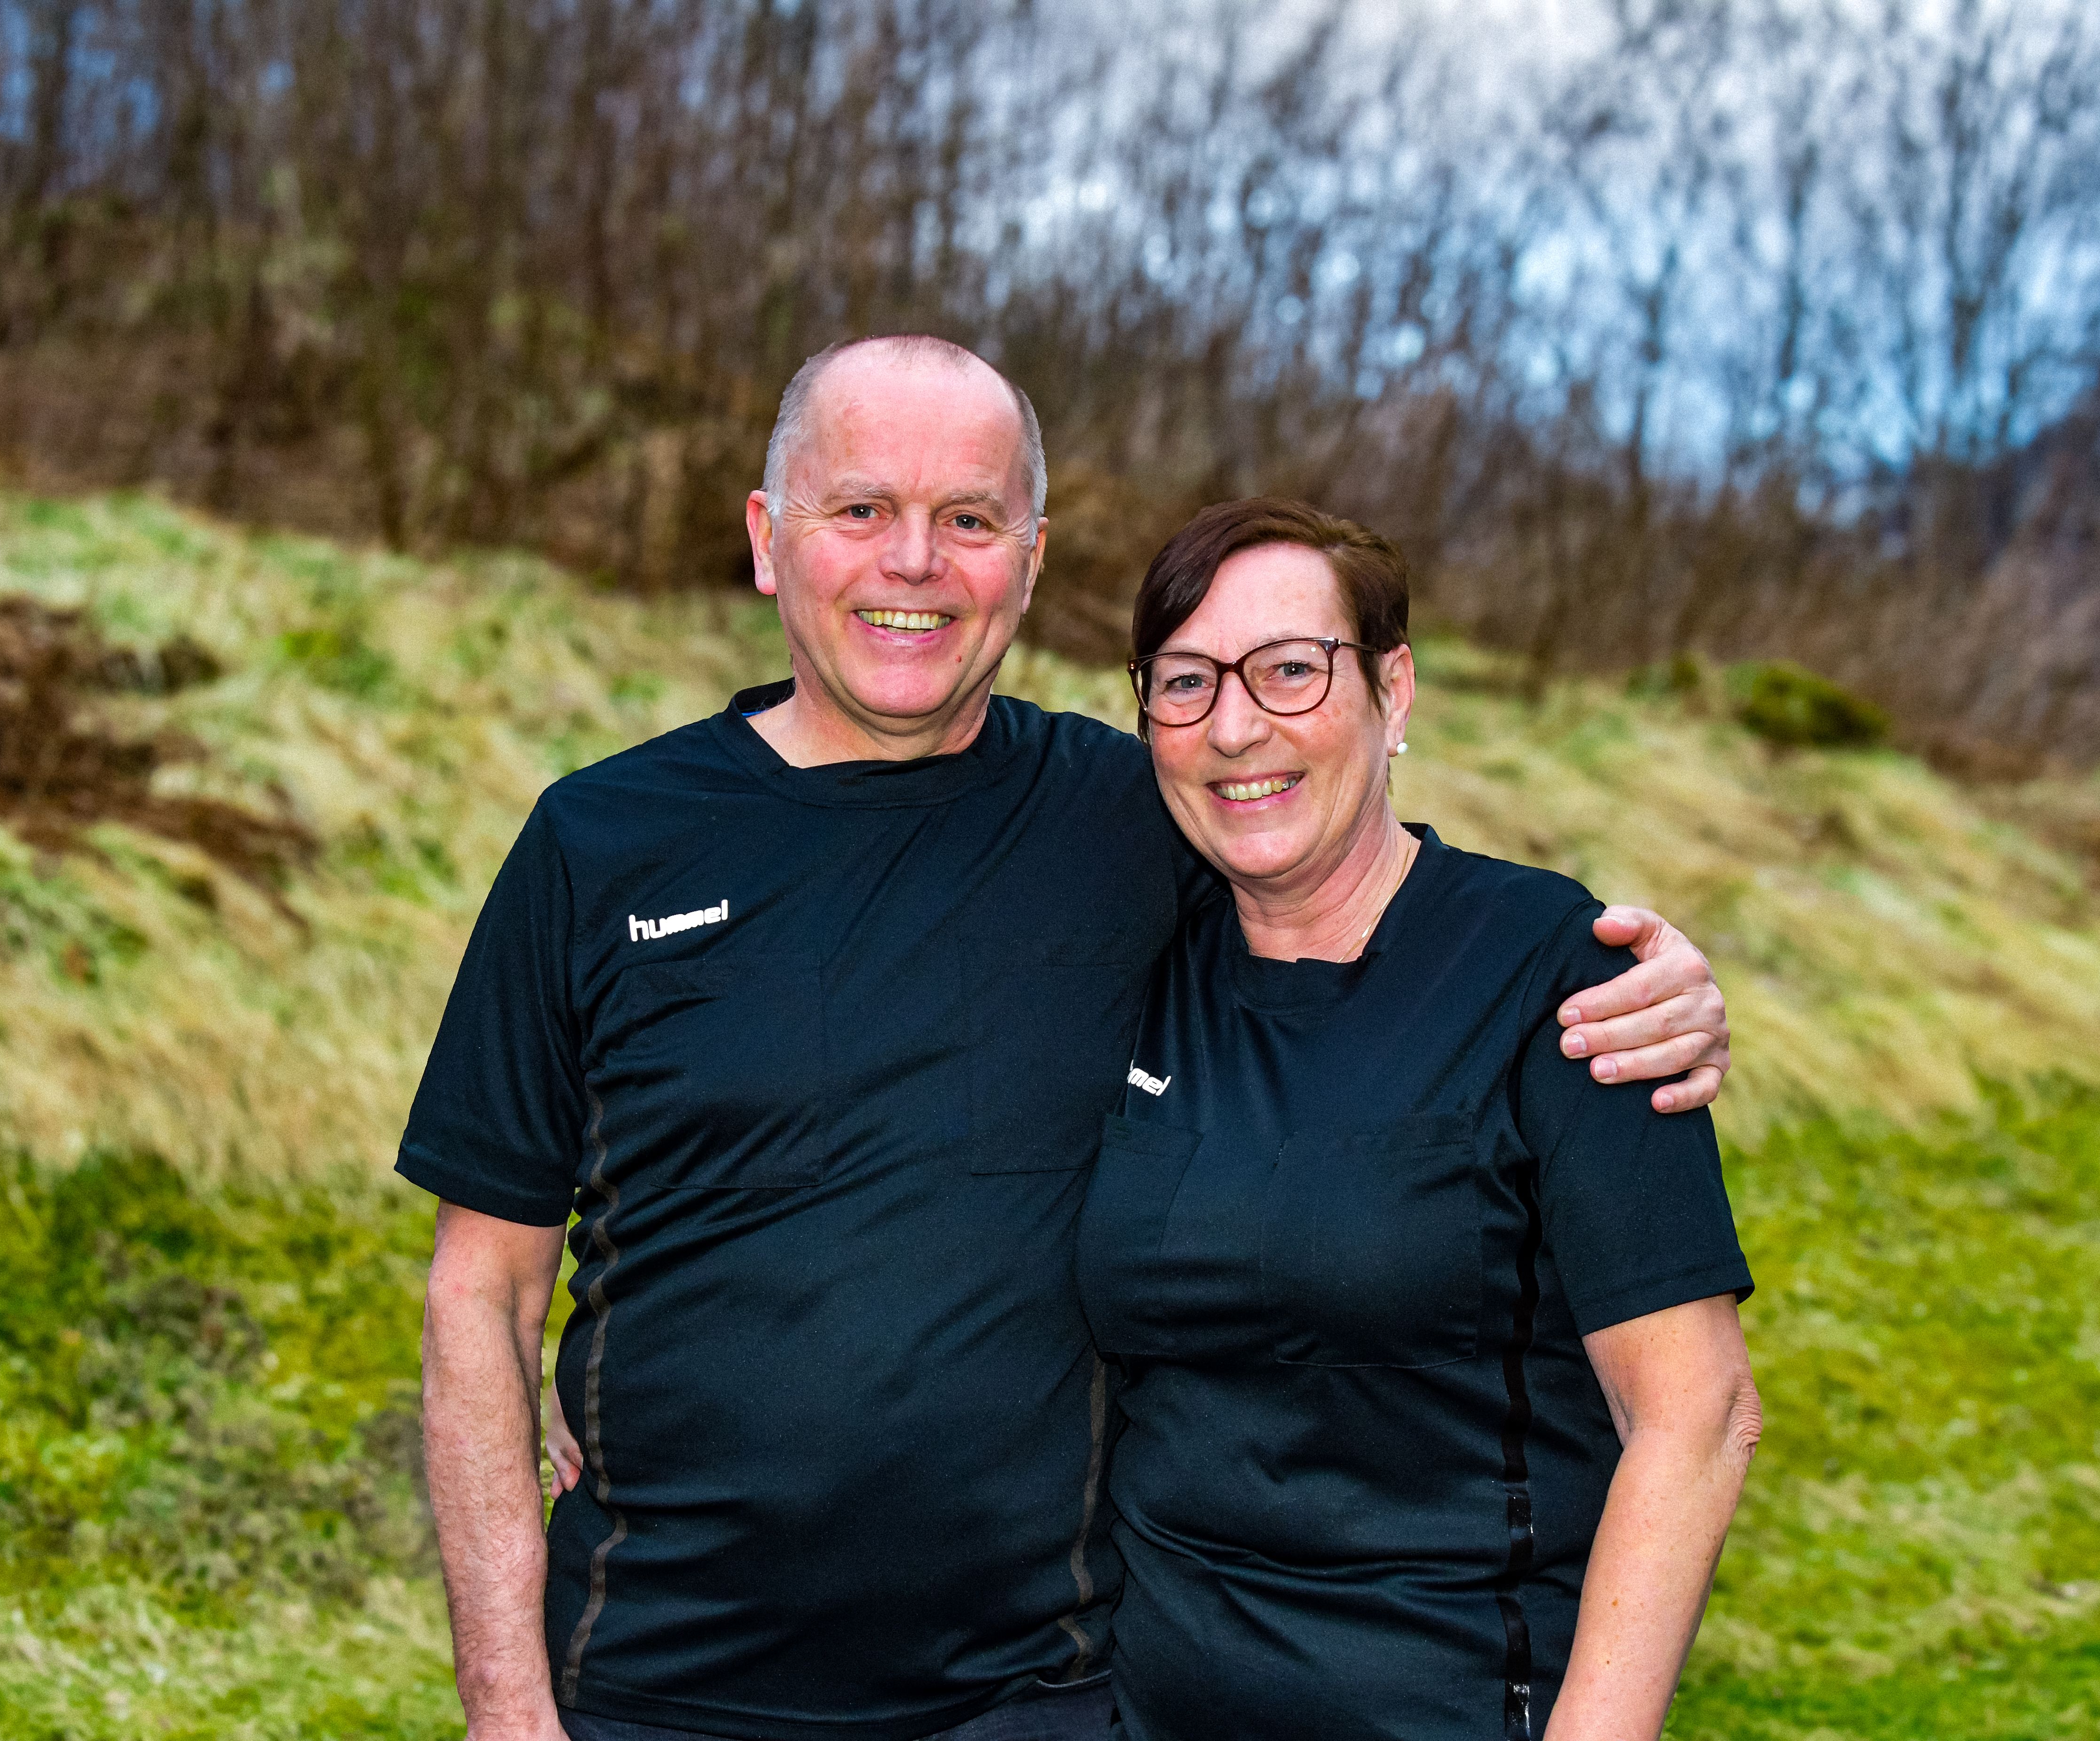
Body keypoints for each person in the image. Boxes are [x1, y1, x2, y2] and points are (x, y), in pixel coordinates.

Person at [400, 335, 1735, 1741]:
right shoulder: (599, 844)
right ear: (765, 539)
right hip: (653, 1686)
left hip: (1039, 1698)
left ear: (1030, 564)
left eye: (970, 520)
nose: (914, 562)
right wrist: (507, 1705)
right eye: (861, 508)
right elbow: (480, 1294)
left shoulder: (1137, 818)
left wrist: (1658, 981)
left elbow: (1360, 897)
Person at [1078, 499, 1760, 1741]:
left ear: (1393, 692)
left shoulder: (1560, 977)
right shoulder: (1136, 971)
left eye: (1291, 669)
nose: (1235, 726)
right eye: (1185, 682)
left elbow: (1696, 1417)